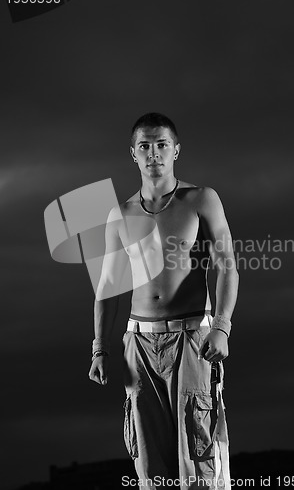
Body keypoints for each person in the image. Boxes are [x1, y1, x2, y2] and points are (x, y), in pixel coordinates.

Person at [88, 113, 239, 490]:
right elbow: (108, 286)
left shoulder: (201, 199)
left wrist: (222, 326)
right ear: (133, 154)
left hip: (192, 339)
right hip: (137, 343)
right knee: (150, 465)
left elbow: (228, 267)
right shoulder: (120, 214)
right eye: (145, 146)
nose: (153, 154)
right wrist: (100, 349)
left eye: (161, 145)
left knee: (198, 453)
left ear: (176, 151)